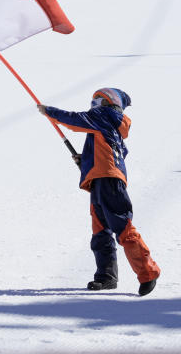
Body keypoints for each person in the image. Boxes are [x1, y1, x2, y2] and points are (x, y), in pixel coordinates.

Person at [38, 88, 161, 296]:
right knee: (100, 230)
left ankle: (148, 272)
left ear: (107, 102)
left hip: (108, 181)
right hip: (102, 180)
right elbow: (110, 152)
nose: (93, 103)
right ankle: (106, 276)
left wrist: (49, 111)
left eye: (96, 99)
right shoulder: (109, 124)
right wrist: (85, 160)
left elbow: (75, 119)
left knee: (122, 227)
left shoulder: (104, 115)